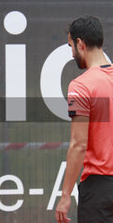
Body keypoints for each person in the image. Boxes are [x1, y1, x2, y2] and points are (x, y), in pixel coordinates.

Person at [55, 15, 113, 223]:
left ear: (80, 44)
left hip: (99, 190)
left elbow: (79, 145)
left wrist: (64, 196)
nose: (72, 53)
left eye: (71, 46)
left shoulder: (81, 86)